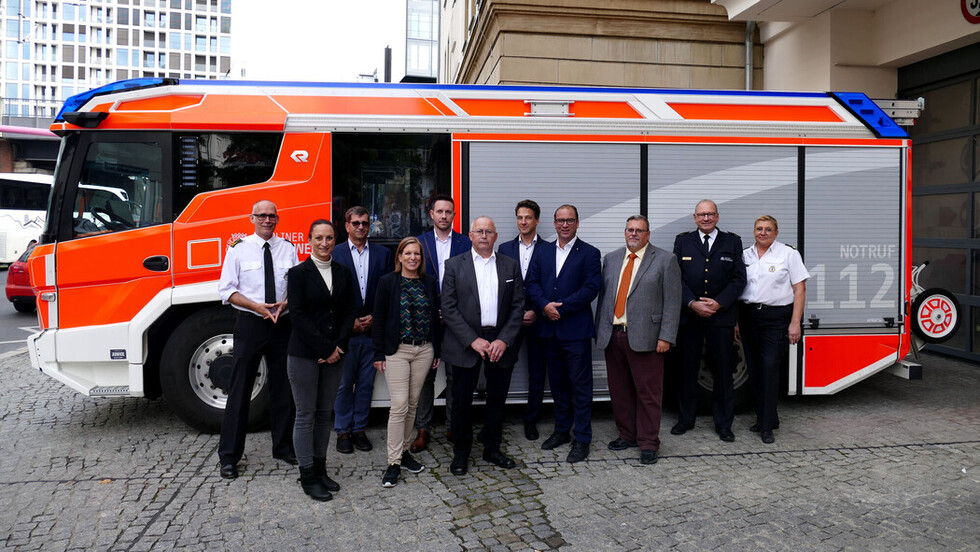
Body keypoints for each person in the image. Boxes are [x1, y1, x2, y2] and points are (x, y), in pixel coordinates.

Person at [216, 200, 299, 480]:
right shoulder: (238, 249)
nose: (267, 220)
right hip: (251, 323)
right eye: (261, 216)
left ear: (278, 219)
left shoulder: (288, 248)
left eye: (271, 216)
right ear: (251, 218)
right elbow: (227, 290)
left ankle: (283, 447)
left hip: (281, 323)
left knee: (283, 388)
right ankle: (229, 456)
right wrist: (258, 307)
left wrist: (284, 305)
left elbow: (297, 287)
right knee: (240, 390)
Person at [595, 215, 681, 465]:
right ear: (624, 232)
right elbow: (604, 299)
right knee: (620, 391)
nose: (634, 234)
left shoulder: (665, 260)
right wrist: (601, 331)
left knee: (648, 393)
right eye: (630, 230)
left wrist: (666, 336)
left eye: (639, 231)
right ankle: (627, 435)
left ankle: (648, 443)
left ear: (648, 234)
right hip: (614, 336)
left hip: (648, 338)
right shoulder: (611, 259)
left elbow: (673, 302)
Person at [441, 216, 524, 475]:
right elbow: (449, 307)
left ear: (496, 236)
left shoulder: (510, 266)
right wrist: (472, 339)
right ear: (470, 235)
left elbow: (518, 307)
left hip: (500, 341)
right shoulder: (454, 265)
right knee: (461, 401)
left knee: (497, 400)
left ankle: (492, 448)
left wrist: (503, 339)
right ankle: (461, 453)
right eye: (479, 231)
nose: (484, 235)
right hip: (466, 342)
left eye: (489, 231)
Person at [285, 219, 356, 501]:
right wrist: (326, 348)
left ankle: (320, 467)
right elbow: (299, 317)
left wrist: (338, 347)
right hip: (304, 354)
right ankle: (307, 475)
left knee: (325, 414)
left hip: (335, 354)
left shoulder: (342, 272)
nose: (324, 243)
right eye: (318, 238)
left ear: (335, 239)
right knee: (305, 414)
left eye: (329, 238)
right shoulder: (298, 273)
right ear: (309, 240)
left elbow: (349, 311)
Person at [526, 204, 601, 463]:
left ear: (577, 223)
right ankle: (561, 431)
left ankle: (582, 439)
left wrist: (563, 308)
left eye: (569, 220)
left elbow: (592, 287)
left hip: (575, 331)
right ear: (555, 223)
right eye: (560, 220)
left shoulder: (590, 253)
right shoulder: (543, 251)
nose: (565, 225)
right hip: (548, 330)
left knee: (580, 387)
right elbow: (532, 283)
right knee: (557, 386)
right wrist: (544, 306)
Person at [672, 199, 746, 442]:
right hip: (690, 316)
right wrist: (692, 303)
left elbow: (739, 279)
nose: (706, 218)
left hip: (721, 316)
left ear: (717, 217)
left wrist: (719, 303)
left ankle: (724, 423)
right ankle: (686, 419)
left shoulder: (732, 242)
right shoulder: (683, 241)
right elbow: (676, 278)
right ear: (695, 218)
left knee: (723, 372)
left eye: (710, 214)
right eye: (701, 215)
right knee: (686, 370)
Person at [372, 237, 441, 487]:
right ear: (399, 256)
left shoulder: (429, 283)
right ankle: (393, 463)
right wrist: (378, 354)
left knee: (412, 405)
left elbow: (435, 318)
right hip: (397, 351)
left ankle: (403, 453)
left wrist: (437, 350)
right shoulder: (388, 282)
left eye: (417, 254)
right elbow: (379, 319)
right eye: (408, 253)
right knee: (399, 405)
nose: (413, 258)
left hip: (424, 351)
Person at [738, 215, 809, 445]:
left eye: (768, 229)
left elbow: (799, 289)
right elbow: (740, 289)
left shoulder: (788, 254)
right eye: (759, 228)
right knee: (755, 370)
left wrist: (795, 322)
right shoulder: (745, 255)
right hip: (749, 317)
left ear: (776, 233)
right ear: (754, 231)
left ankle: (767, 427)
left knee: (769, 369)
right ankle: (765, 418)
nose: (763, 232)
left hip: (776, 318)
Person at [411, 194, 472, 453]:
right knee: (425, 377)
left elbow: (472, 282)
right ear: (431, 214)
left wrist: (451, 312)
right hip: (428, 320)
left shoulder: (465, 242)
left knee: (455, 376)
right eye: (440, 211)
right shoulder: (420, 243)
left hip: (458, 319)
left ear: (454, 215)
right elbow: (412, 279)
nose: (444, 216)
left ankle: (452, 425)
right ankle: (423, 429)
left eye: (449, 212)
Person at [332, 206, 393, 454]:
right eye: (355, 223)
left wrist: (375, 318)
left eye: (365, 223)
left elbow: (388, 290)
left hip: (372, 331)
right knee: (345, 384)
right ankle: (342, 431)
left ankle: (359, 429)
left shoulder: (382, 254)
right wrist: (350, 323)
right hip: (345, 333)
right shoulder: (334, 254)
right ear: (346, 226)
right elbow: (330, 296)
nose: (360, 227)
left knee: (366, 383)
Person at [497, 199, 548, 440]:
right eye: (519, 217)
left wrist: (537, 310)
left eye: (528, 217)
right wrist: (517, 313)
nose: (523, 222)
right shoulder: (505, 249)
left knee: (537, 371)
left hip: (538, 318)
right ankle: (496, 417)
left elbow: (550, 285)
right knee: (502, 368)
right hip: (511, 320)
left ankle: (531, 419)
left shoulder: (549, 249)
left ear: (536, 220)